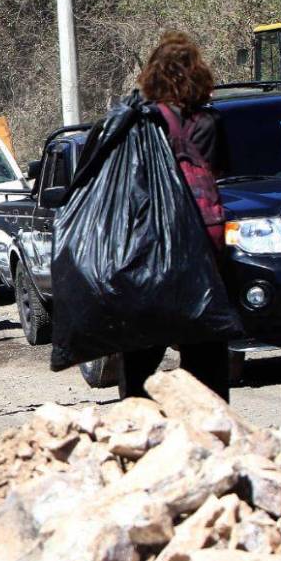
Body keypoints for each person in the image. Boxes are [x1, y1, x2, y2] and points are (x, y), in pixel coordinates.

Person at [119, 31, 231, 401]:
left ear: (152, 77)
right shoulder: (207, 124)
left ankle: (136, 429)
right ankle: (212, 436)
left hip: (149, 257)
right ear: (198, 75)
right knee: (207, 359)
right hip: (199, 258)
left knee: (138, 360)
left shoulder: (141, 124)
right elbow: (216, 177)